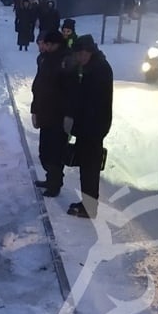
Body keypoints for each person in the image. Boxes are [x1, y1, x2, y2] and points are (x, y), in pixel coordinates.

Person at [63, 34, 114, 218]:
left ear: (89, 51)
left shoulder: (98, 69)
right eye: (77, 54)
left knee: (90, 168)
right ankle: (87, 203)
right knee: (86, 167)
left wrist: (79, 123)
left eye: (82, 54)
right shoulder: (90, 66)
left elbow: (89, 101)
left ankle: (90, 207)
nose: (79, 57)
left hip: (93, 126)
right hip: (89, 125)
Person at [30, 30, 69, 197]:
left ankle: (55, 184)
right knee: (44, 151)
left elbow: (70, 90)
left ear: (55, 44)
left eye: (46, 44)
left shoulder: (65, 61)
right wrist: (35, 110)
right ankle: (49, 178)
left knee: (55, 152)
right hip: (45, 112)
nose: (42, 46)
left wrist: (69, 115)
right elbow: (38, 86)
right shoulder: (45, 58)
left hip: (58, 115)